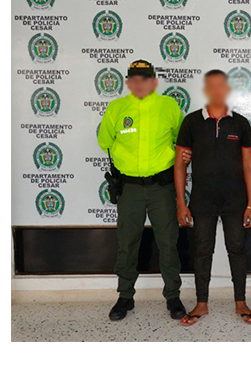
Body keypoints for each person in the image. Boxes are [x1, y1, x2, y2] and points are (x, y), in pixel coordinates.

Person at [97, 60, 186, 321]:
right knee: (127, 243)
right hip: (130, 189)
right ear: (128, 82)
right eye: (134, 79)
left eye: (144, 79)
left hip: (161, 188)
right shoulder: (117, 108)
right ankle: (125, 296)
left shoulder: (169, 107)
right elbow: (105, 141)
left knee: (168, 242)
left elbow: (180, 141)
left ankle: (173, 296)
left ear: (154, 82)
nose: (139, 84)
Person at [174, 69, 251, 325]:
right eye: (211, 86)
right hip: (203, 198)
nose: (216, 90)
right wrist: (181, 203)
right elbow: (180, 164)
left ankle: (241, 302)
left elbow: (249, 165)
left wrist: (250, 205)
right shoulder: (191, 122)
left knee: (237, 249)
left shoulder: (240, 123)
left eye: (221, 85)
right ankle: (201, 304)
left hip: (235, 199)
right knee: (202, 250)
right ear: (205, 90)